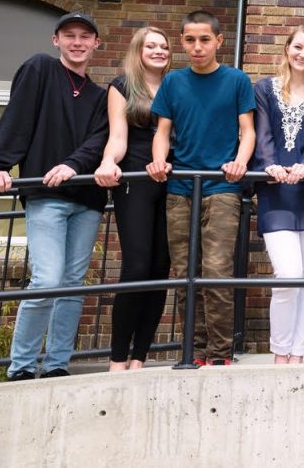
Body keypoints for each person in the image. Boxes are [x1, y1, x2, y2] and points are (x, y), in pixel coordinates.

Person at [0, 11, 109, 381]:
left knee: (70, 284)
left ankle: (56, 365)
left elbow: (99, 140)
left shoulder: (101, 96)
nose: (78, 42)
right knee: (47, 280)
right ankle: (20, 367)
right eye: (70, 35)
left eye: (86, 36)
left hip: (86, 199)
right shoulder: (40, 69)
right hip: (45, 195)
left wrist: (72, 164)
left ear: (96, 44)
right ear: (56, 40)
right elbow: (17, 117)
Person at [147, 10, 255, 367]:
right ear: (182, 41)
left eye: (205, 40)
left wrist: (240, 161)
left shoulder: (237, 80)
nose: (197, 47)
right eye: (190, 40)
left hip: (222, 186)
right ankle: (193, 351)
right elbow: (162, 132)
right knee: (184, 272)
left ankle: (221, 353)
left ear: (219, 41)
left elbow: (248, 130)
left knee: (216, 271)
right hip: (179, 186)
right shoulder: (173, 82)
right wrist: (159, 161)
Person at [252, 25, 304, 364]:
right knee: (287, 276)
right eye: (298, 47)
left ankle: (299, 353)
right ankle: (280, 351)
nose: (303, 54)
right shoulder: (265, 89)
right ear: (287, 49)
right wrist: (268, 164)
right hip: (275, 193)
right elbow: (261, 130)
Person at [94, 26, 173, 371]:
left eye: (164, 46)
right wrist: (108, 162)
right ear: (138, 51)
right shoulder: (122, 85)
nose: (158, 51)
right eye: (151, 46)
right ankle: (117, 358)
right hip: (136, 180)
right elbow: (118, 135)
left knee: (160, 269)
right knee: (137, 267)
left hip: (171, 181)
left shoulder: (176, 85)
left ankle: (140, 355)